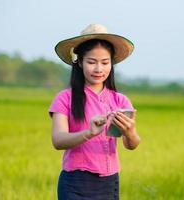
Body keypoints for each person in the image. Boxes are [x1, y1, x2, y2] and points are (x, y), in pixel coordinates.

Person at [48, 24, 141, 200]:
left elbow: (132, 145)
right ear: (80, 62)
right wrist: (89, 133)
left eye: (105, 62)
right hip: (75, 182)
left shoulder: (120, 100)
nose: (99, 69)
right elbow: (58, 141)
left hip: (109, 183)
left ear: (111, 64)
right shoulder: (64, 98)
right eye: (91, 62)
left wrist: (130, 132)